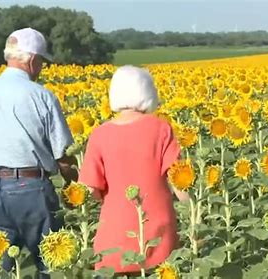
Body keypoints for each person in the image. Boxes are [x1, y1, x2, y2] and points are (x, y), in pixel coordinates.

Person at [0, 27, 78, 278]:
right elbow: (63, 155)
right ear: (32, 60)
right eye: (41, 61)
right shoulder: (42, 97)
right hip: (31, 189)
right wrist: (73, 187)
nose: (41, 68)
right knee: (52, 263)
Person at [78, 65, 189, 276]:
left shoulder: (99, 135)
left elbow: (89, 190)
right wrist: (195, 216)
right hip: (158, 233)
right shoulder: (161, 128)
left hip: (113, 235)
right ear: (148, 92)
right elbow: (180, 181)